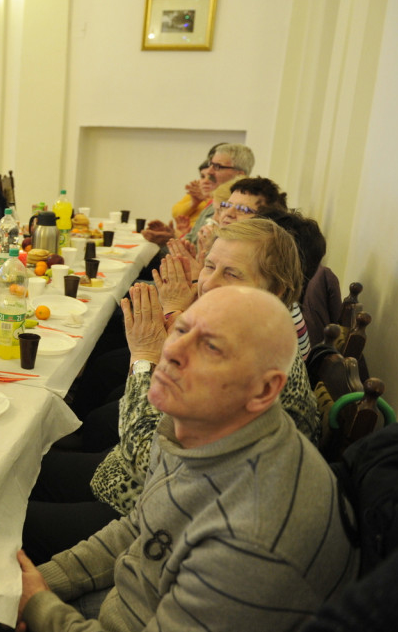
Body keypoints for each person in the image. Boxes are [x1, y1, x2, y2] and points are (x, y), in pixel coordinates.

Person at [14, 287, 357, 632]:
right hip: (130, 600)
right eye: (180, 329)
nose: (172, 350)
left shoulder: (256, 539)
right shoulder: (194, 423)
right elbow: (142, 526)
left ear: (265, 390)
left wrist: (40, 608)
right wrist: (38, 583)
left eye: (211, 346)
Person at [25, 220, 320, 560]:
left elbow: (145, 460)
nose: (208, 284)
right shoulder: (245, 325)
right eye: (209, 266)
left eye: (232, 274)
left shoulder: (250, 356)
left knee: (15, 513)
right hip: (164, 484)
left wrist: (145, 357)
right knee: (31, 463)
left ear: (277, 290)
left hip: (175, 519)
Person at [142, 142, 254, 246]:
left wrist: (169, 241)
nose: (209, 172)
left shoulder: (236, 209)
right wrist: (171, 237)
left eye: (217, 167)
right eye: (211, 165)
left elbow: (201, 255)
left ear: (239, 174)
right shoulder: (214, 201)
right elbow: (191, 240)